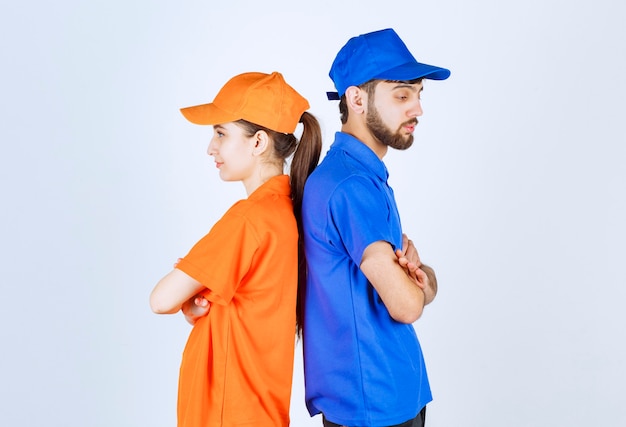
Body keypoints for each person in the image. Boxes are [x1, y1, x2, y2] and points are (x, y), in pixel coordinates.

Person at [150, 71, 322, 427]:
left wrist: (186, 297)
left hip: (228, 412)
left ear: (258, 142)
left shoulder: (249, 219)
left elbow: (160, 299)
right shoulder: (286, 211)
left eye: (220, 133)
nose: (210, 147)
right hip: (258, 409)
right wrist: (196, 304)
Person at [301, 28, 450, 427]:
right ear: (356, 99)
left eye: (419, 94)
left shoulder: (361, 176)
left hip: (391, 393)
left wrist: (420, 279)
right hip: (373, 404)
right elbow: (406, 304)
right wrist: (416, 285)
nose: (417, 108)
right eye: (402, 95)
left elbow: (418, 289)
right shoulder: (349, 185)